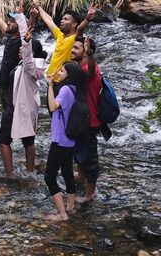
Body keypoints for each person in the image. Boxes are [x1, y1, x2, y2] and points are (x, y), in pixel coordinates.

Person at [0, 6, 46, 178]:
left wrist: (29, 20)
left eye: (24, 48)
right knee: (28, 140)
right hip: (24, 108)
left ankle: (10, 174)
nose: (21, 48)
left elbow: (26, 51)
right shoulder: (30, 66)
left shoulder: (30, 66)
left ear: (31, 52)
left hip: (16, 107)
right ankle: (30, 172)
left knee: (3, 140)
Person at [44, 61, 87, 222]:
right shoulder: (76, 90)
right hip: (70, 140)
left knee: (49, 176)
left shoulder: (65, 90)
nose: (59, 72)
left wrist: (49, 86)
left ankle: (62, 214)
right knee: (67, 171)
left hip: (60, 139)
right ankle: (70, 207)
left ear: (70, 75)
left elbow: (53, 106)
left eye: (62, 70)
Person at [33, 0, 97, 87]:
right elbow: (49, 20)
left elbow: (80, 29)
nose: (62, 21)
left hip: (63, 82)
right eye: (62, 19)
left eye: (66, 19)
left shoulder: (74, 39)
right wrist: (38, 6)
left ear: (74, 24)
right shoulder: (60, 35)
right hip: (51, 80)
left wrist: (87, 19)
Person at [71, 36, 102, 203]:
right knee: (79, 149)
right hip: (81, 119)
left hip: (90, 121)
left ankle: (90, 194)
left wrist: (90, 55)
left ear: (85, 51)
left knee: (90, 157)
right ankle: (81, 176)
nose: (72, 50)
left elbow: (90, 70)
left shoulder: (90, 68)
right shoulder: (79, 67)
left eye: (76, 48)